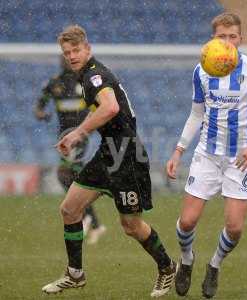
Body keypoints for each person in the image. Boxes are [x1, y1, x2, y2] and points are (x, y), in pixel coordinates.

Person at [42, 25, 176, 297]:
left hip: (126, 157)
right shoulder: (87, 77)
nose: (71, 56)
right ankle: (75, 274)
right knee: (69, 209)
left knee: (131, 226)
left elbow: (111, 107)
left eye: (76, 50)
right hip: (108, 153)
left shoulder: (94, 75)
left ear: (87, 49)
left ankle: (167, 266)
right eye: (67, 52)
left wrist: (79, 133)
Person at [166, 13, 247, 298]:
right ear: (213, 39)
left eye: (233, 37)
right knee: (187, 222)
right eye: (222, 37)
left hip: (240, 160)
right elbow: (196, 114)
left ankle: (214, 265)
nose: (228, 42)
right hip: (207, 155)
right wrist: (179, 149)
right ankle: (187, 259)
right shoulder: (201, 71)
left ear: (241, 39)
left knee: (234, 227)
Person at [34, 56, 106, 244]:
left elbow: (101, 104)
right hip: (64, 136)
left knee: (65, 173)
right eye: (64, 57)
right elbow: (40, 104)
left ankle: (85, 215)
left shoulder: (84, 81)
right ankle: (94, 221)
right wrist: (41, 113)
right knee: (70, 175)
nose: (66, 61)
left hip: (81, 134)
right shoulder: (54, 83)